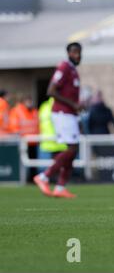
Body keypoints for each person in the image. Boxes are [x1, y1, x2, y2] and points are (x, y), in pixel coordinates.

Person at [33, 42, 83, 198]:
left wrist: (76, 106)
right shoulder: (64, 67)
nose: (77, 55)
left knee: (73, 150)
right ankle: (44, 176)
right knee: (72, 149)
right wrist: (73, 104)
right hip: (62, 113)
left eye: (79, 52)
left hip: (70, 114)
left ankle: (60, 188)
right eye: (74, 52)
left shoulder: (73, 70)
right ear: (68, 53)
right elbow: (51, 91)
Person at [9, 95, 40, 180]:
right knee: (22, 162)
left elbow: (38, 125)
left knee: (33, 162)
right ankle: (23, 178)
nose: (30, 103)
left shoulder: (35, 111)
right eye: (28, 101)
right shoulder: (17, 111)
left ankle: (33, 178)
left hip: (34, 141)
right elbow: (14, 126)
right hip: (22, 141)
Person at [37, 97, 68, 173]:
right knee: (62, 166)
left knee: (45, 168)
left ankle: (45, 178)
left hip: (48, 142)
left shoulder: (44, 106)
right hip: (59, 142)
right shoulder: (62, 106)